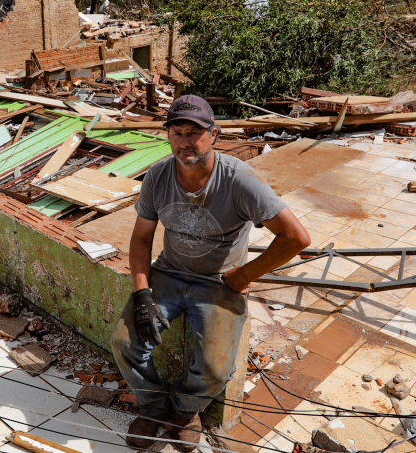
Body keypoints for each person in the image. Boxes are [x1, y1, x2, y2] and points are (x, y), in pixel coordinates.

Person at [110, 95, 311, 452]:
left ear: (214, 135)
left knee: (216, 369)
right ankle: (154, 408)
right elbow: (141, 239)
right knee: (125, 343)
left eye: (194, 133)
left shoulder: (239, 180)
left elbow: (296, 237)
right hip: (168, 273)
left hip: (218, 282)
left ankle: (185, 412)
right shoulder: (158, 175)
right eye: (177, 133)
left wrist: (244, 276)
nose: (185, 142)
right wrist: (142, 294)